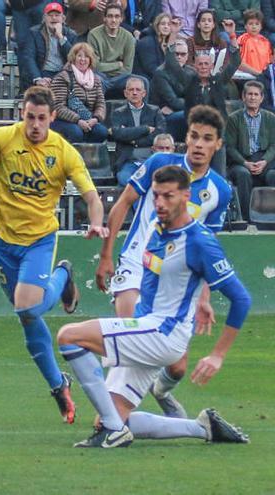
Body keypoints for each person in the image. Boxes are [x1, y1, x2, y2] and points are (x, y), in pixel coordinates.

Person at [0, 86, 107, 423]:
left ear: (53, 118)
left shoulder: (64, 152)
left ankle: (63, 274)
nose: (35, 125)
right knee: (26, 316)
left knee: (28, 305)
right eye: (29, 118)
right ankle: (58, 385)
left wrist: (96, 223)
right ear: (22, 115)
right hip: (1, 238)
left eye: (42, 119)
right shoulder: (6, 137)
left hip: (39, 239)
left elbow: (92, 196)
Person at [58, 165, 251, 448]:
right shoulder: (156, 229)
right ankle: (203, 427)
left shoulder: (199, 241)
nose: (160, 203)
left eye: (168, 196)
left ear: (186, 196)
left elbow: (242, 299)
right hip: (146, 327)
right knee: (110, 416)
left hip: (163, 335)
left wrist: (217, 355)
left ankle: (113, 431)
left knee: (68, 337)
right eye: (156, 196)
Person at [95, 105, 233, 418]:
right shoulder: (160, 163)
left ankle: (159, 391)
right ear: (186, 137)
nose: (199, 144)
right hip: (136, 265)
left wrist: (205, 297)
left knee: (178, 366)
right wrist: (106, 255)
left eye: (207, 139)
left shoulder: (219, 191)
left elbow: (208, 249)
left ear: (218, 145)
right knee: (131, 333)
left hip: (178, 281)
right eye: (194, 136)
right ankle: (111, 411)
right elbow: (123, 204)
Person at [164, 43, 240, 175]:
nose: (203, 67)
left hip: (216, 136)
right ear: (195, 66)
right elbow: (173, 66)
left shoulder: (219, 81)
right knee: (194, 173)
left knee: (218, 174)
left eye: (206, 64)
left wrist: (232, 39)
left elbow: (234, 63)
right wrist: (172, 41)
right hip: (196, 136)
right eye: (200, 64)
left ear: (211, 66)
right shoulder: (189, 81)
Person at [225, 80, 275, 221]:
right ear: (243, 97)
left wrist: (265, 161)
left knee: (273, 175)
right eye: (249, 94)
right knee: (243, 174)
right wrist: (245, 163)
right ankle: (246, 219)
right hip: (241, 161)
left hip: (265, 161)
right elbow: (230, 148)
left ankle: (270, 218)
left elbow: (273, 145)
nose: (253, 97)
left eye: (256, 94)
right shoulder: (233, 119)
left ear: (262, 98)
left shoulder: (271, 118)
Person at [108, 76, 167, 185]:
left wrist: (133, 139)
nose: (134, 93)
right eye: (131, 90)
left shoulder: (154, 111)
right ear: (125, 93)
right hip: (128, 162)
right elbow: (117, 134)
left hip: (150, 160)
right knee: (125, 180)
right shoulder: (118, 113)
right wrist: (145, 129)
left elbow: (160, 134)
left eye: (138, 90)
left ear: (144, 93)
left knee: (157, 181)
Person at [50, 43, 109, 143]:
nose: (83, 59)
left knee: (102, 132)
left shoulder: (96, 79)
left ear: (90, 60)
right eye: (79, 56)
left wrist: (95, 119)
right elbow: (58, 107)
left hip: (88, 119)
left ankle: (89, 156)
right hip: (63, 120)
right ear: (73, 58)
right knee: (76, 132)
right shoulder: (63, 77)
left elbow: (100, 103)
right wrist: (77, 120)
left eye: (86, 56)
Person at [88, 4, 138, 98]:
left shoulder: (128, 37)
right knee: (97, 79)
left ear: (121, 19)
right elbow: (95, 66)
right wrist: (118, 64)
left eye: (117, 16)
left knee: (143, 82)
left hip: (121, 77)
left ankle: (139, 112)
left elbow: (127, 69)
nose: (113, 20)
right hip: (100, 75)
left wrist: (106, 68)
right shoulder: (94, 35)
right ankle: (99, 112)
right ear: (104, 18)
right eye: (110, 16)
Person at [150, 38, 192, 140]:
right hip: (162, 116)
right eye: (176, 54)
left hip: (177, 111)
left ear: (187, 57)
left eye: (183, 54)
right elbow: (173, 102)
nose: (179, 57)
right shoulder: (161, 73)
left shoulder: (192, 72)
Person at [29, 3, 79, 88]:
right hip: (43, 72)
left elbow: (73, 58)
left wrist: (60, 37)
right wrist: (38, 79)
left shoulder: (71, 34)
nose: (54, 18)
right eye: (50, 15)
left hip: (64, 73)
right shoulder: (34, 33)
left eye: (57, 15)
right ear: (44, 18)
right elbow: (29, 58)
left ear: (63, 19)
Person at [134, 13, 176, 81]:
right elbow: (151, 68)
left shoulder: (168, 43)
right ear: (157, 26)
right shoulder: (147, 42)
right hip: (144, 80)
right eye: (163, 24)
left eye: (169, 24)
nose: (166, 26)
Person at [232, 9, 272, 77]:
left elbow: (269, 63)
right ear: (245, 26)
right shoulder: (242, 40)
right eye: (250, 24)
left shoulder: (266, 41)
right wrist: (258, 74)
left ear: (261, 26)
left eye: (257, 24)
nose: (254, 27)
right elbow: (239, 63)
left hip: (264, 76)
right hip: (246, 76)